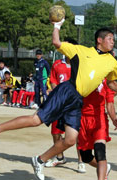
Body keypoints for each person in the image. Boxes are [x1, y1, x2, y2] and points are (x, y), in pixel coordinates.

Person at [0, 20, 117, 180]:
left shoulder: (112, 62)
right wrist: (57, 25)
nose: (113, 41)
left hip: (78, 101)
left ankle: (40, 160)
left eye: (113, 39)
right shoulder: (80, 50)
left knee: (71, 139)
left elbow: (111, 81)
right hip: (67, 91)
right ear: (100, 40)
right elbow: (56, 42)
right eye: (110, 38)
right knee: (36, 120)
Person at [44, 39, 86, 173]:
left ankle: (81, 161)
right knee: (56, 132)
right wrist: (58, 97)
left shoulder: (81, 65)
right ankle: (60, 157)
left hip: (74, 105)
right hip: (60, 103)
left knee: (76, 134)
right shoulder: (57, 64)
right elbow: (54, 82)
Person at [78, 79, 117, 180]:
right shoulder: (84, 75)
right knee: (85, 156)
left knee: (100, 152)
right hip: (83, 119)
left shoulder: (107, 81)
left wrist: (114, 118)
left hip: (99, 119)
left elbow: (109, 104)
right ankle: (105, 168)